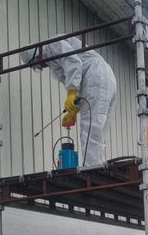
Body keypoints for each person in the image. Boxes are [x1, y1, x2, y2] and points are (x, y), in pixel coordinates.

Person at [21, 36, 116, 167]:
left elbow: (73, 62)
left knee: (90, 127)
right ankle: (97, 165)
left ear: (36, 55)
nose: (41, 66)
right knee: (97, 130)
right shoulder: (53, 61)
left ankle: (92, 169)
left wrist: (71, 93)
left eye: (37, 64)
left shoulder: (52, 46)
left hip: (96, 75)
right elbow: (81, 84)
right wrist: (74, 110)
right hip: (105, 77)